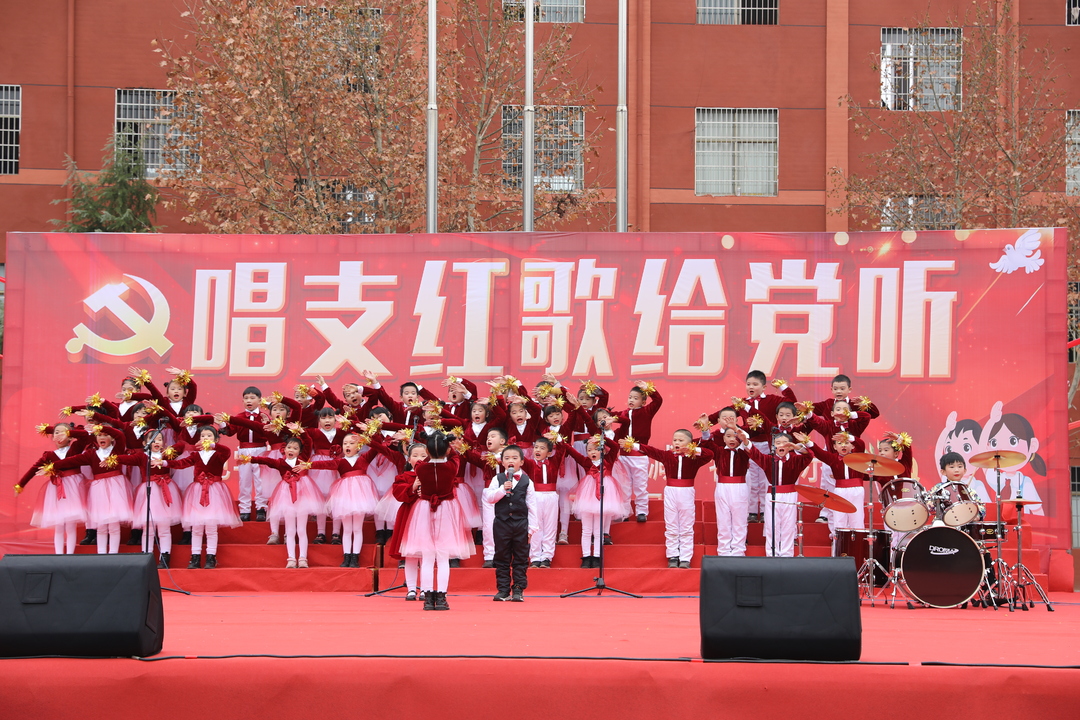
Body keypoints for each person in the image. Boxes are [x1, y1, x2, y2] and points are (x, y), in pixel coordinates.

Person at [398, 432, 474, 611]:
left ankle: (427, 596)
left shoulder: (420, 468)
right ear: (447, 450)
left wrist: (427, 440)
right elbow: (455, 456)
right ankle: (441, 596)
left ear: (427, 451)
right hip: (447, 509)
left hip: (424, 509)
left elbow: (422, 462)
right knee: (442, 557)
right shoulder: (451, 467)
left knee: (427, 556)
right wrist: (450, 444)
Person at [626, 430, 714, 568]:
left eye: (681, 440)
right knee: (671, 524)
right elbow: (651, 451)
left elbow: (710, 454)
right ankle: (672, 555)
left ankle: (685, 557)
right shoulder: (667, 455)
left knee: (686, 526)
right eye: (675, 440)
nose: (677, 443)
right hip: (670, 492)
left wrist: (693, 450)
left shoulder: (694, 458)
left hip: (687, 492)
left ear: (690, 443)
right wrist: (633, 445)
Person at [166, 426, 242, 569]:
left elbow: (226, 451)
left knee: (211, 527)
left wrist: (213, 446)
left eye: (209, 436)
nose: (205, 438)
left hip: (214, 491)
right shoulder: (196, 455)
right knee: (197, 527)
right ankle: (194, 558)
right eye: (202, 436)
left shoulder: (219, 454)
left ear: (216, 439)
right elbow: (181, 463)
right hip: (197, 490)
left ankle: (210, 557)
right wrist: (164, 463)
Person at [727, 371, 796, 523]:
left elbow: (791, 403)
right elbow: (725, 414)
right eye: (748, 384)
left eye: (755, 384)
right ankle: (752, 511)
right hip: (749, 445)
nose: (751, 387)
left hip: (768, 444)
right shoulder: (742, 403)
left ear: (764, 387)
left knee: (766, 479)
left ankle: (765, 510)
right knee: (751, 479)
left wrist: (783, 387)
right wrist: (707, 423)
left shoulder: (772, 400)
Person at [244, 437, 324, 568]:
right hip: (286, 497)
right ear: (284, 449)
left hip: (303, 496)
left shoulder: (303, 460)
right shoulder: (281, 462)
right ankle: (291, 558)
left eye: (295, 448)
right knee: (290, 530)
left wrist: (302, 432)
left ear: (300, 451)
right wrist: (250, 459)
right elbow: (266, 460)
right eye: (289, 447)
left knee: (302, 530)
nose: (291, 450)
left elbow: (309, 442)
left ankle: (303, 558)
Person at [308, 432, 384, 568]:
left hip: (362, 495)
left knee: (357, 528)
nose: (347, 445)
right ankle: (347, 556)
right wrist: (308, 465)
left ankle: (355, 557)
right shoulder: (340, 461)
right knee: (347, 528)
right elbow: (324, 463)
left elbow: (377, 444)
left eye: (351, 443)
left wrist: (369, 432)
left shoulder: (365, 458)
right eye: (345, 443)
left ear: (359, 446)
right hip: (344, 496)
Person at [14, 423, 90, 555]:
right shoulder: (49, 455)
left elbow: (84, 435)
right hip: (56, 489)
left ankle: (70, 555)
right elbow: (33, 469)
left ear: (70, 436)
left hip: (74, 489)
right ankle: (59, 555)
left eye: (63, 432)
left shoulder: (75, 448)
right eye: (56, 433)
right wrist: (21, 484)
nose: (59, 435)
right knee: (59, 525)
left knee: (71, 524)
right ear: (52, 437)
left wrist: (68, 432)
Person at [739, 429, 813, 557]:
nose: (781, 445)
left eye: (785, 443)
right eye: (778, 443)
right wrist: (745, 441)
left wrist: (797, 447)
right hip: (772, 495)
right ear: (773, 446)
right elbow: (755, 453)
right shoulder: (768, 459)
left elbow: (809, 456)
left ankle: (786, 554)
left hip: (790, 495)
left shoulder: (796, 460)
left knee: (788, 526)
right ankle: (771, 554)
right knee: (772, 526)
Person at [119, 431, 185, 568]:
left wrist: (166, 456)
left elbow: (181, 446)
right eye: (153, 440)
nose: (157, 442)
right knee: (148, 528)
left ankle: (165, 557)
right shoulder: (142, 456)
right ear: (145, 443)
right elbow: (125, 459)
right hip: (148, 491)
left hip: (165, 490)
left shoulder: (167, 454)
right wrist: (112, 458)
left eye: (160, 439)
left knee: (164, 528)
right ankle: (146, 557)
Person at [483, 446, 538, 602]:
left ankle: (519, 588)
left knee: (521, 557)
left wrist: (532, 528)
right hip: (502, 524)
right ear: (502, 461)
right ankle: (503, 589)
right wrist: (502, 489)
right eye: (507, 458)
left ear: (521, 461)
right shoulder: (498, 479)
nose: (511, 461)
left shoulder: (527, 481)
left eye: (514, 458)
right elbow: (490, 497)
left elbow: (532, 505)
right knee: (501, 556)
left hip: (521, 524)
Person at [564, 435, 623, 568]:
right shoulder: (586, 462)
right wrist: (560, 441)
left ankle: (597, 556)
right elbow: (572, 452)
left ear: (602, 450)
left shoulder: (609, 460)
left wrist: (603, 438)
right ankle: (586, 556)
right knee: (586, 529)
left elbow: (615, 447)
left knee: (598, 530)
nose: (593, 452)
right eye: (590, 450)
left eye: (596, 449)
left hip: (604, 495)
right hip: (587, 496)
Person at [385, 442, 431, 601]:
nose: (419, 459)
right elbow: (398, 494)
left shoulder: (434, 474)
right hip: (409, 516)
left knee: (426, 555)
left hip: (428, 517)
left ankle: (426, 589)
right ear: (408, 458)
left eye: (423, 456)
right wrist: (413, 487)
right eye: (415, 456)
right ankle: (411, 589)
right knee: (410, 555)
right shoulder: (403, 477)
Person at [613, 381, 663, 522]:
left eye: (635, 398)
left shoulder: (647, 411)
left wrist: (648, 389)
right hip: (623, 456)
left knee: (640, 486)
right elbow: (607, 414)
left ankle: (641, 511)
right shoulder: (622, 414)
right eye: (630, 397)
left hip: (639, 456)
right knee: (624, 486)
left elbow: (658, 400)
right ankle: (625, 512)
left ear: (643, 401)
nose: (631, 400)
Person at [699, 424, 751, 556]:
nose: (732, 439)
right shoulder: (719, 451)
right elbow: (706, 443)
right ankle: (723, 550)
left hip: (740, 488)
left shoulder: (744, 452)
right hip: (722, 488)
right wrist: (705, 429)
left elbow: (750, 447)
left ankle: (739, 550)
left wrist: (744, 439)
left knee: (739, 520)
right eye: (728, 436)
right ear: (723, 439)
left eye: (735, 436)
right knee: (723, 520)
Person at [522, 436, 566, 568]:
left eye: (542, 448)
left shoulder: (554, 461)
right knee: (535, 527)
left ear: (549, 452)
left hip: (551, 495)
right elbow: (518, 458)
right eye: (536, 447)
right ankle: (535, 557)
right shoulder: (530, 463)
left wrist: (558, 438)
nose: (538, 450)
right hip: (535, 496)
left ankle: (547, 556)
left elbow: (563, 448)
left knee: (550, 527)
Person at [229, 386, 269, 522]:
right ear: (242, 401)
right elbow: (230, 431)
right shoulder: (238, 417)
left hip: (261, 450)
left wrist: (267, 422)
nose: (249, 401)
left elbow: (270, 432)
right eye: (246, 398)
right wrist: (223, 425)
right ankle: (244, 509)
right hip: (244, 450)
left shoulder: (264, 416)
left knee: (260, 480)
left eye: (252, 398)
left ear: (260, 400)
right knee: (244, 480)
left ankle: (261, 508)